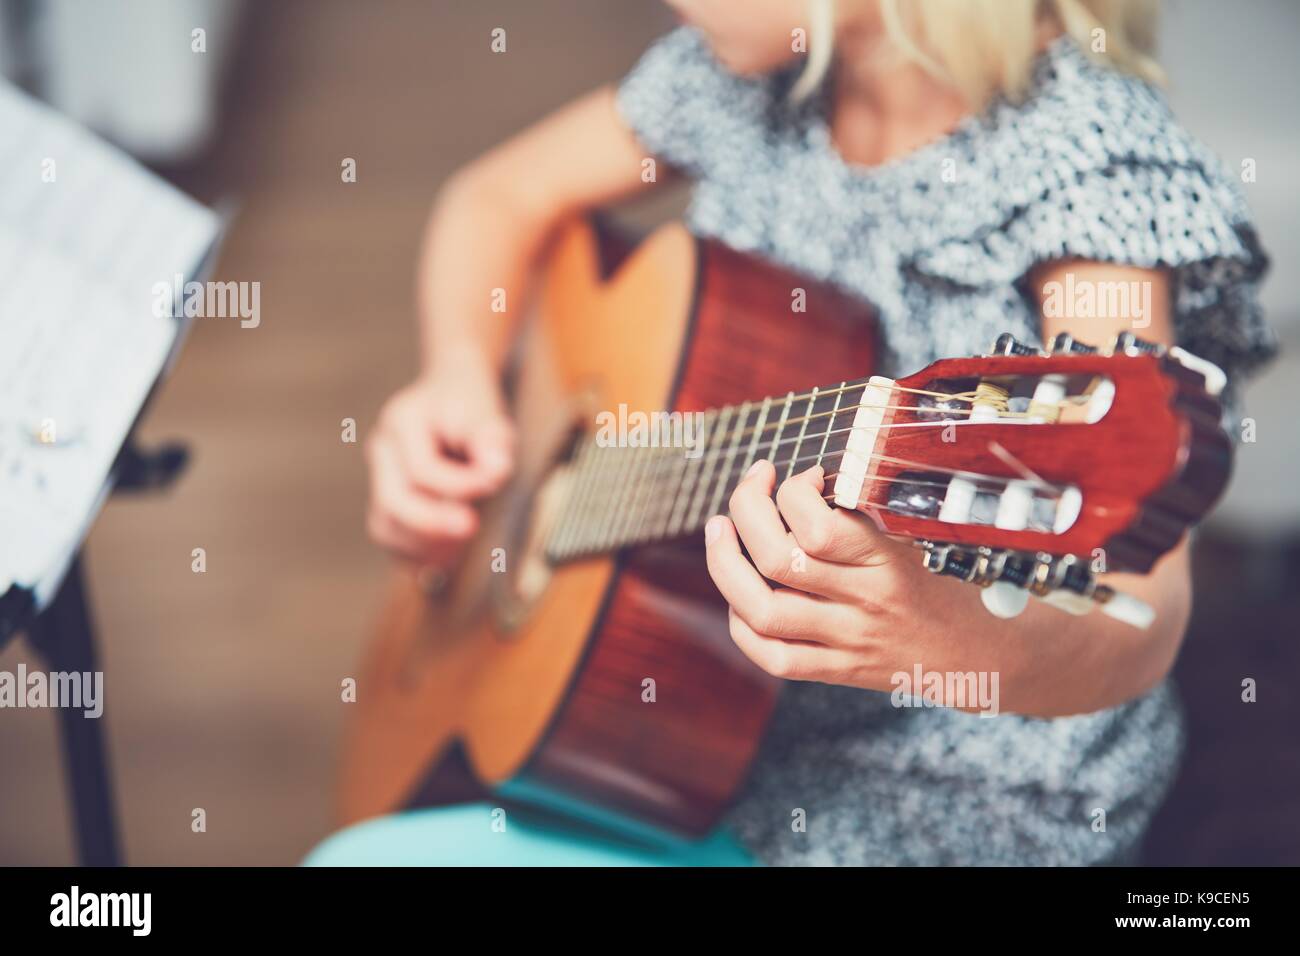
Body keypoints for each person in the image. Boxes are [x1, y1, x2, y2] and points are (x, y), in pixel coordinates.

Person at [309, 0, 1273, 866]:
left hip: (951, 795)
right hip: (697, 723)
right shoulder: (751, 68)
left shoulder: (1094, 171)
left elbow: (1139, 615)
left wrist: (941, 640)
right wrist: (458, 379)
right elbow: (495, 197)